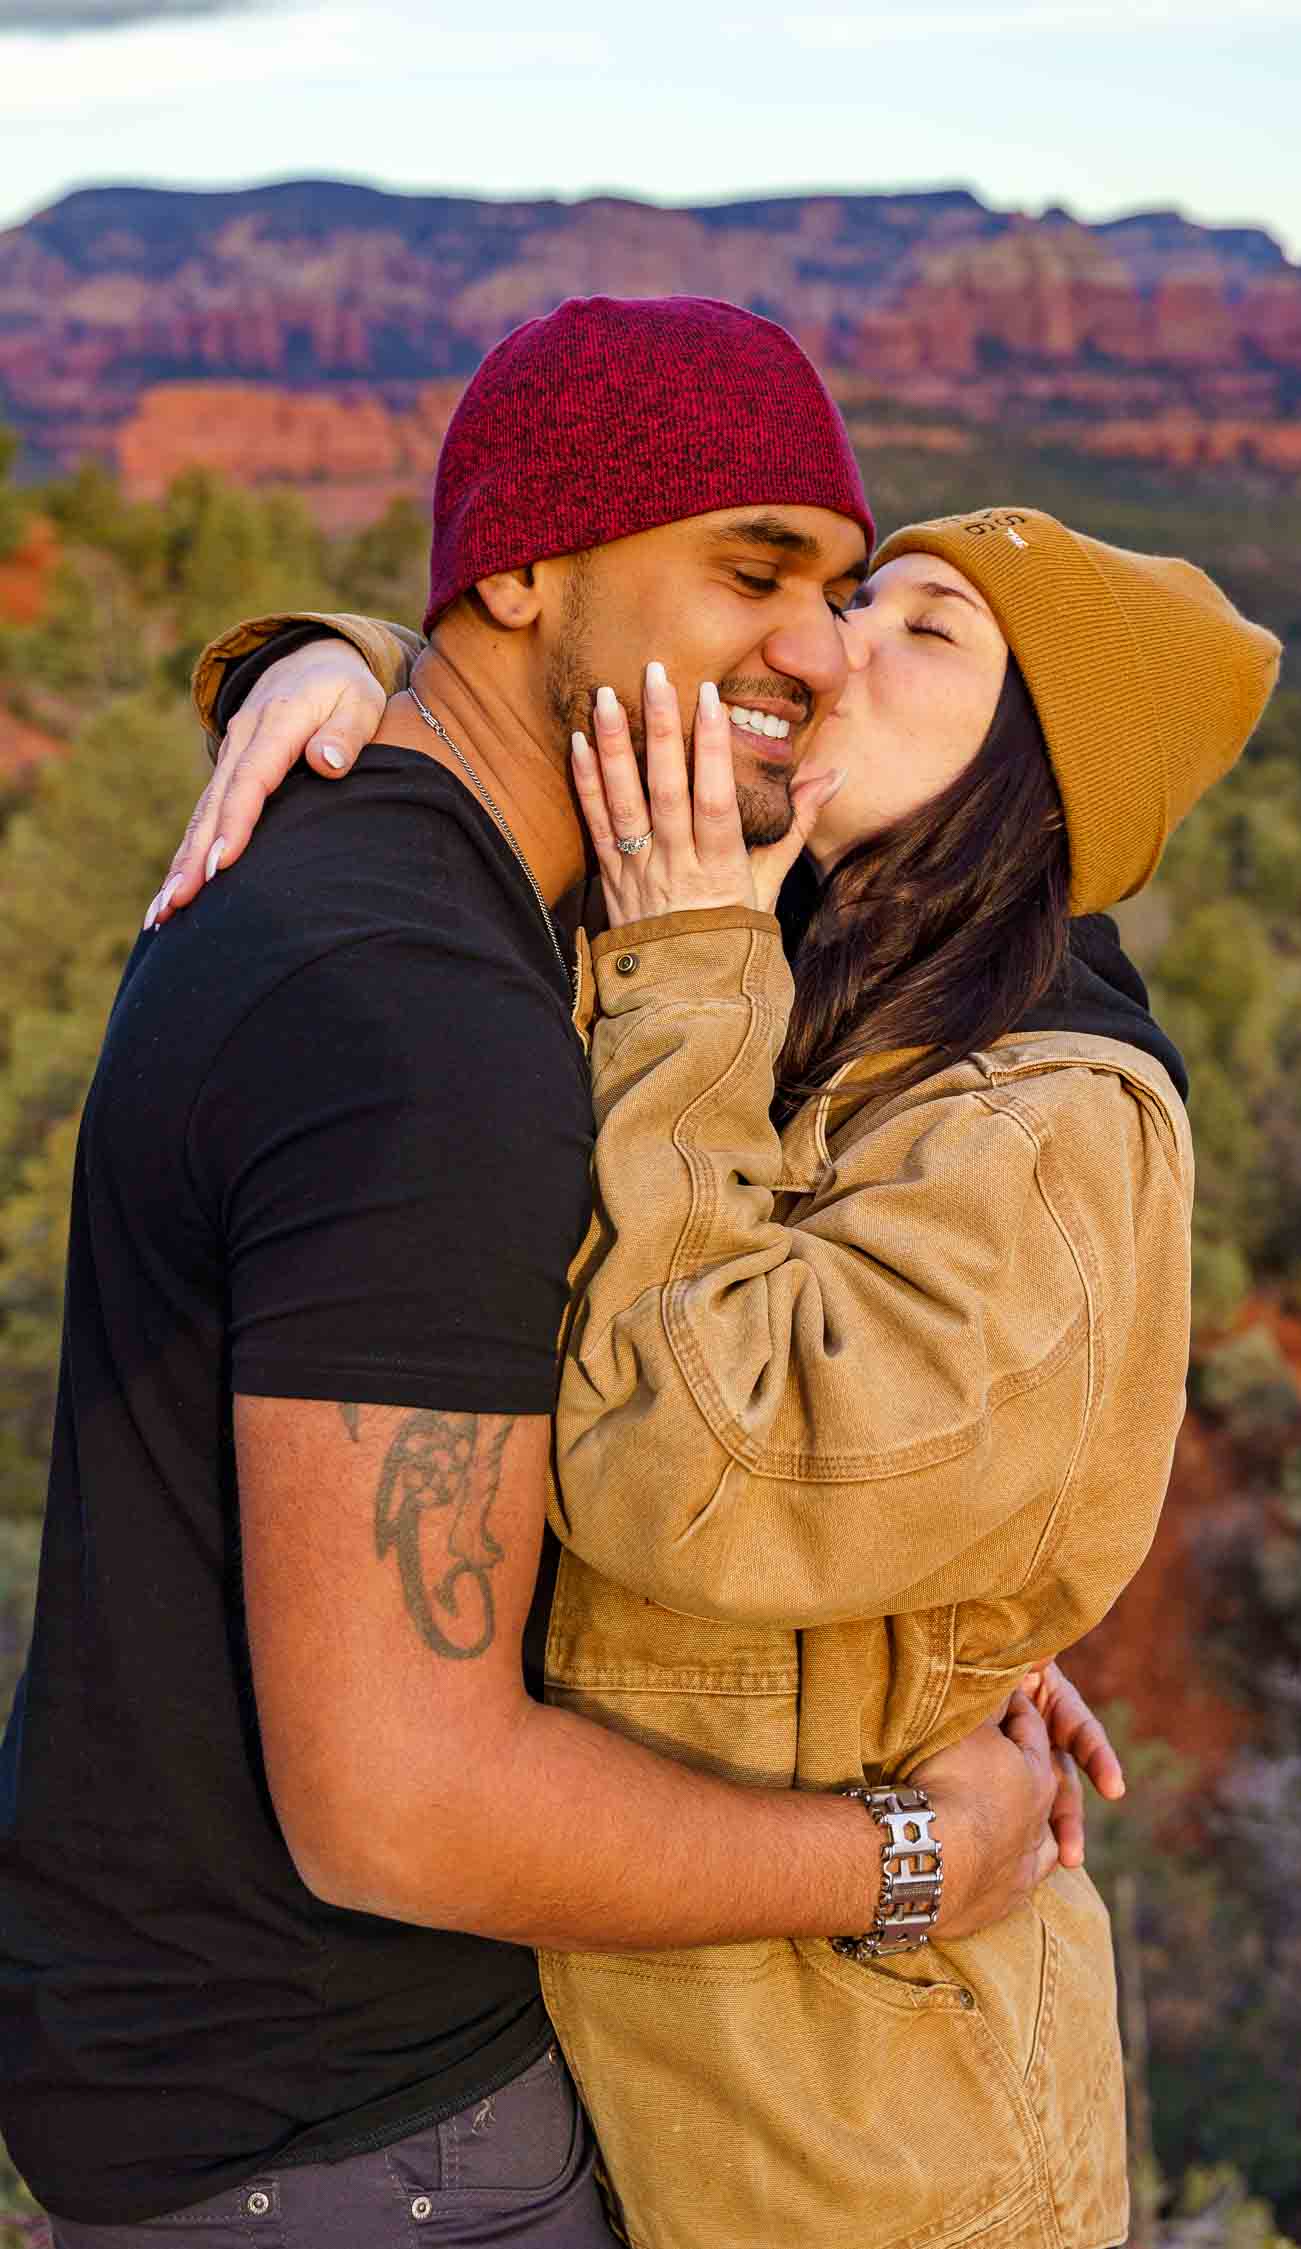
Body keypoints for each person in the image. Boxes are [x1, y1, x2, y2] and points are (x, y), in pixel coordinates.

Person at [0, 300, 1113, 2249]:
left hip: (245, 2097)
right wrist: (916, 1855)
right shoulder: (420, 1022)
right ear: (518, 564)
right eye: (752, 568)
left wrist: (909, 1630)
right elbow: (403, 1803)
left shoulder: (388, 878)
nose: (814, 647)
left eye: (848, 589)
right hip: (359, 2132)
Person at [152, 496, 1279, 2246]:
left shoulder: (1045, 1119)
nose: (834, 649)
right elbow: (542, 690)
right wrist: (347, 661)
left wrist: (687, 967)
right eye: (850, 598)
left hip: (867, 2156)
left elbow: (698, 1465)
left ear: (1045, 773)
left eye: (927, 636)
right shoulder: (810, 955)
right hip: (646, 2090)